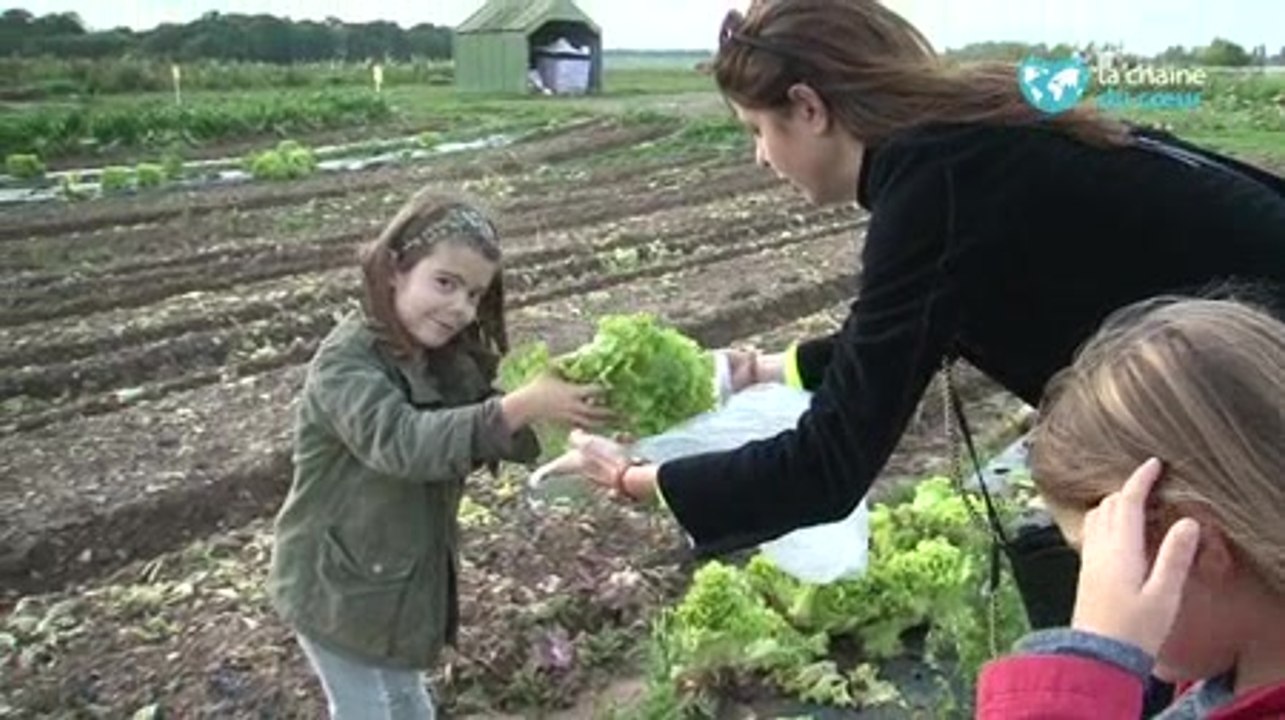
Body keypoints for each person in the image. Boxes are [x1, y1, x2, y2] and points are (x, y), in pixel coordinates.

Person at [565, 0, 1284, 705]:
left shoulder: (932, 185)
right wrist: (761, 369)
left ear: (809, 108)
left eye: (757, 129)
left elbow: (825, 466)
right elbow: (904, 327)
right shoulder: (970, 140)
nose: (759, 156)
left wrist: (639, 479)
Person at [266, 190, 612, 719]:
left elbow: (486, 422)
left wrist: (562, 422)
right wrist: (521, 406)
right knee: (367, 711)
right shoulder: (346, 363)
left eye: (473, 294)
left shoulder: (442, 361)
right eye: (445, 283)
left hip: (397, 584)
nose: (459, 307)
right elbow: (406, 442)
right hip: (332, 587)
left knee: (408, 700)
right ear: (393, 271)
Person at [975, 297, 1285, 718]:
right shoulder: (1235, 664)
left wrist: (1093, 662)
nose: (1098, 595)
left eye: (1105, 562)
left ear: (1199, 546)